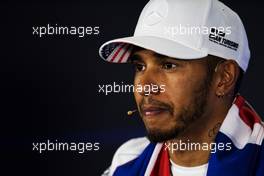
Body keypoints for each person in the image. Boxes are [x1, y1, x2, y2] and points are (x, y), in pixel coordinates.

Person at [98, 0, 264, 175]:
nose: (145, 87)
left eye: (168, 65)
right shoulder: (126, 161)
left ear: (224, 78)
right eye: (140, 67)